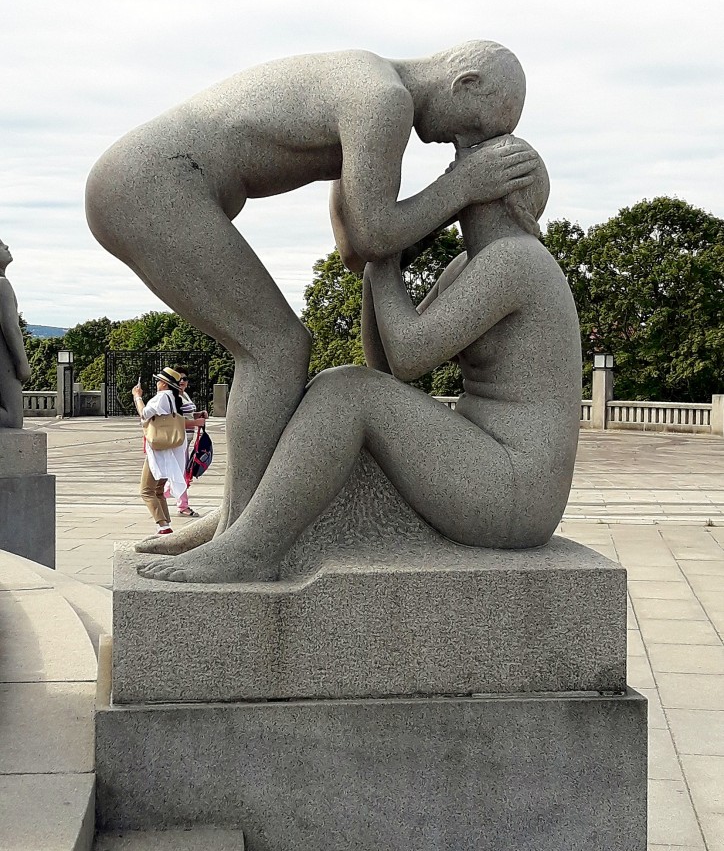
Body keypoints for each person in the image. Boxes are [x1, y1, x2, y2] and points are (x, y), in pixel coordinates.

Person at [86, 40, 537, 556]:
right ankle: (243, 539)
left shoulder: (369, 84)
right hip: (152, 181)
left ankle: (236, 523)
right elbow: (372, 237)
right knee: (276, 348)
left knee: (274, 347)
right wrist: (463, 186)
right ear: (466, 84)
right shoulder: (384, 99)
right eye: (475, 129)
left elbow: (352, 245)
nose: (463, 146)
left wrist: (422, 219)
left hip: (137, 176)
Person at [137, 138, 582, 584]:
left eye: (465, 170)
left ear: (501, 188)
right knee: (334, 415)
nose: (452, 180)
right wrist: (377, 265)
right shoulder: (467, 265)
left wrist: (384, 252)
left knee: (344, 391)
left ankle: (250, 549)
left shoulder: (516, 259)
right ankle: (235, 524)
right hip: (484, 463)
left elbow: (406, 358)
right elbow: (386, 364)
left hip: (516, 489)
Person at [132, 367, 197, 535]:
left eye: (159, 381)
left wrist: (137, 397)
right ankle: (165, 523)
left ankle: (163, 526)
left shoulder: (162, 397)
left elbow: (144, 414)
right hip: (171, 449)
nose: (157, 383)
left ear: (164, 384)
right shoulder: (176, 398)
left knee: (146, 491)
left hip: (159, 448)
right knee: (158, 490)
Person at [163, 366, 209, 517]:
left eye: (185, 379)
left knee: (181, 473)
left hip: (186, 440)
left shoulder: (185, 395)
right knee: (182, 474)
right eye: (179, 379)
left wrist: (198, 415)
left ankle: (163, 493)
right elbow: (176, 421)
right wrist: (197, 423)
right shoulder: (174, 397)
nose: (182, 381)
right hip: (178, 440)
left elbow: (188, 415)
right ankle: (180, 504)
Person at [0, 238, 31, 429]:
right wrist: (22, 363)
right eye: (0, 246)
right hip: (3, 358)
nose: (6, 247)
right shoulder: (2, 284)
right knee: (13, 418)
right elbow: (11, 327)